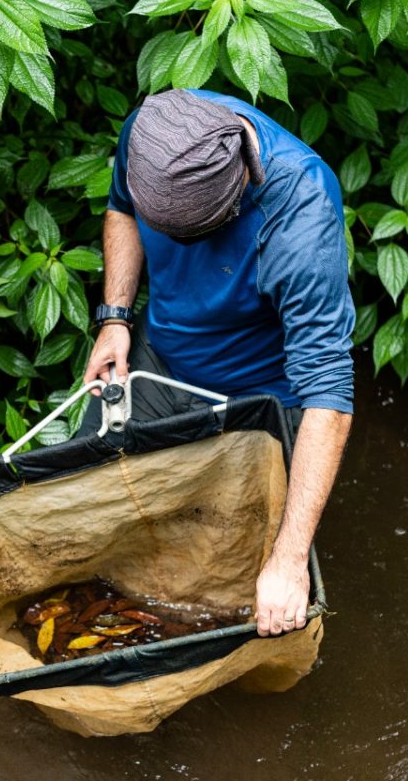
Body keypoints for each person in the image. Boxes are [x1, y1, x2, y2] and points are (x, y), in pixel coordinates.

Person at [81, 88, 354, 641]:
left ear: (233, 200)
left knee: (250, 579)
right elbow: (122, 211)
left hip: (263, 400)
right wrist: (115, 318)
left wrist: (289, 560)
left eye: (190, 236)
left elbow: (329, 394)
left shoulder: (301, 213)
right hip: (159, 363)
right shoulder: (153, 131)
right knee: (91, 498)